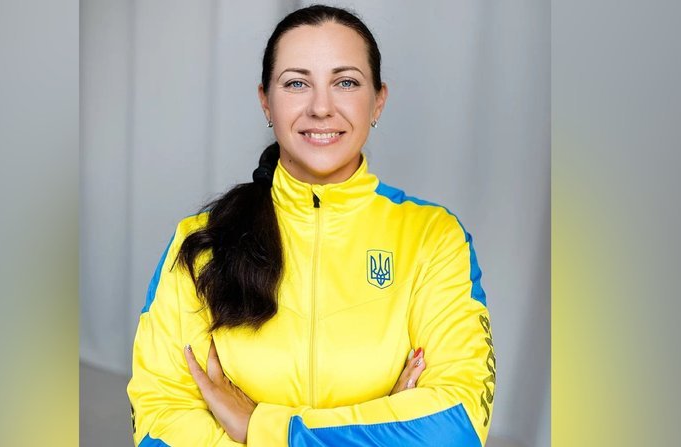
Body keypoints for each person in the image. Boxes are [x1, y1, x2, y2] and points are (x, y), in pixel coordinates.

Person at [127, 5, 495, 446]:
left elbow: (455, 426)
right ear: (266, 101)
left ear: (378, 100)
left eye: (346, 82)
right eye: (297, 83)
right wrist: (380, 429)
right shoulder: (202, 241)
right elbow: (161, 420)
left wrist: (260, 427)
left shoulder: (434, 237)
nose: (321, 108)